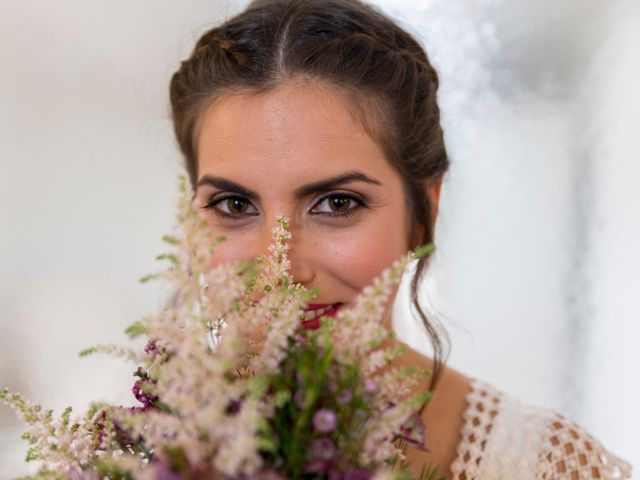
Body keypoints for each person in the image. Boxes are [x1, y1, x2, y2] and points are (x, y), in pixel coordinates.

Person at [168, 0, 632, 478]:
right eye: (235, 205)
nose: (279, 268)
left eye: (337, 203)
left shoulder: (548, 466)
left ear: (422, 216)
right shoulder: (135, 450)